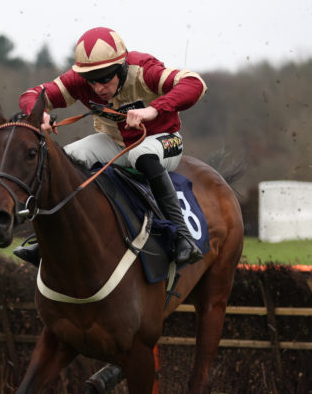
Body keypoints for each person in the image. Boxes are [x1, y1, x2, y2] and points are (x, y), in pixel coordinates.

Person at [14, 26, 206, 267]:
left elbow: (194, 83)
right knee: (65, 159)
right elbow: (32, 94)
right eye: (90, 81)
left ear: (122, 67)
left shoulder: (144, 70)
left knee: (141, 154)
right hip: (113, 143)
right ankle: (48, 241)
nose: (98, 88)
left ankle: (183, 237)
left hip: (162, 139)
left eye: (105, 78)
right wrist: (38, 113)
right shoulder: (78, 81)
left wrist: (152, 110)